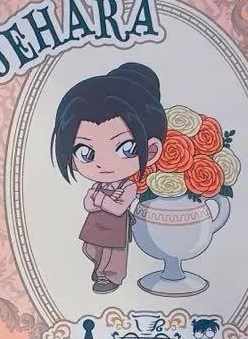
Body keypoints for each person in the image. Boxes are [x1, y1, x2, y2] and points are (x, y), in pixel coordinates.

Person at [51, 63, 166, 294]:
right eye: (86, 152)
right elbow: (88, 203)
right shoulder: (99, 183)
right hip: (96, 222)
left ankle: (110, 277)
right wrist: (95, 200)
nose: (103, 164)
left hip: (116, 225)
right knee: (91, 248)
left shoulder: (129, 185)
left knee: (115, 254)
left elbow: (118, 207)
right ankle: (100, 268)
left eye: (126, 148)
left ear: (151, 151)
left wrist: (100, 200)